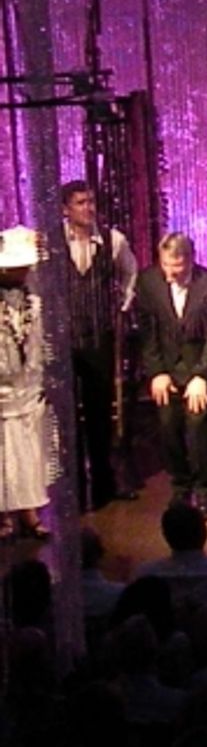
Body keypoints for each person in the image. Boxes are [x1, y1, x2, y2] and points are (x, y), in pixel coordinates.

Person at [134, 232, 207, 516]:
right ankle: (180, 486)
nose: (170, 272)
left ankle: (203, 490)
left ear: (189, 260)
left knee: (198, 424)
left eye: (176, 266)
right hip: (166, 365)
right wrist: (156, 372)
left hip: (198, 364)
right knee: (168, 425)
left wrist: (202, 375)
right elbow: (147, 335)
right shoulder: (148, 282)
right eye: (165, 264)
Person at [61, 179, 139, 510]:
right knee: (66, 415)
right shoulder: (52, 243)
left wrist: (120, 308)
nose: (88, 208)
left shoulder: (112, 240)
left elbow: (130, 274)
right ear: (66, 209)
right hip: (62, 340)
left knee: (98, 415)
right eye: (80, 202)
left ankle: (105, 485)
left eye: (91, 201)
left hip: (98, 337)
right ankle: (74, 489)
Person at [0, 226, 51, 541]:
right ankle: (3, 516)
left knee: (29, 452)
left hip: (27, 383)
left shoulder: (33, 296)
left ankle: (30, 513)